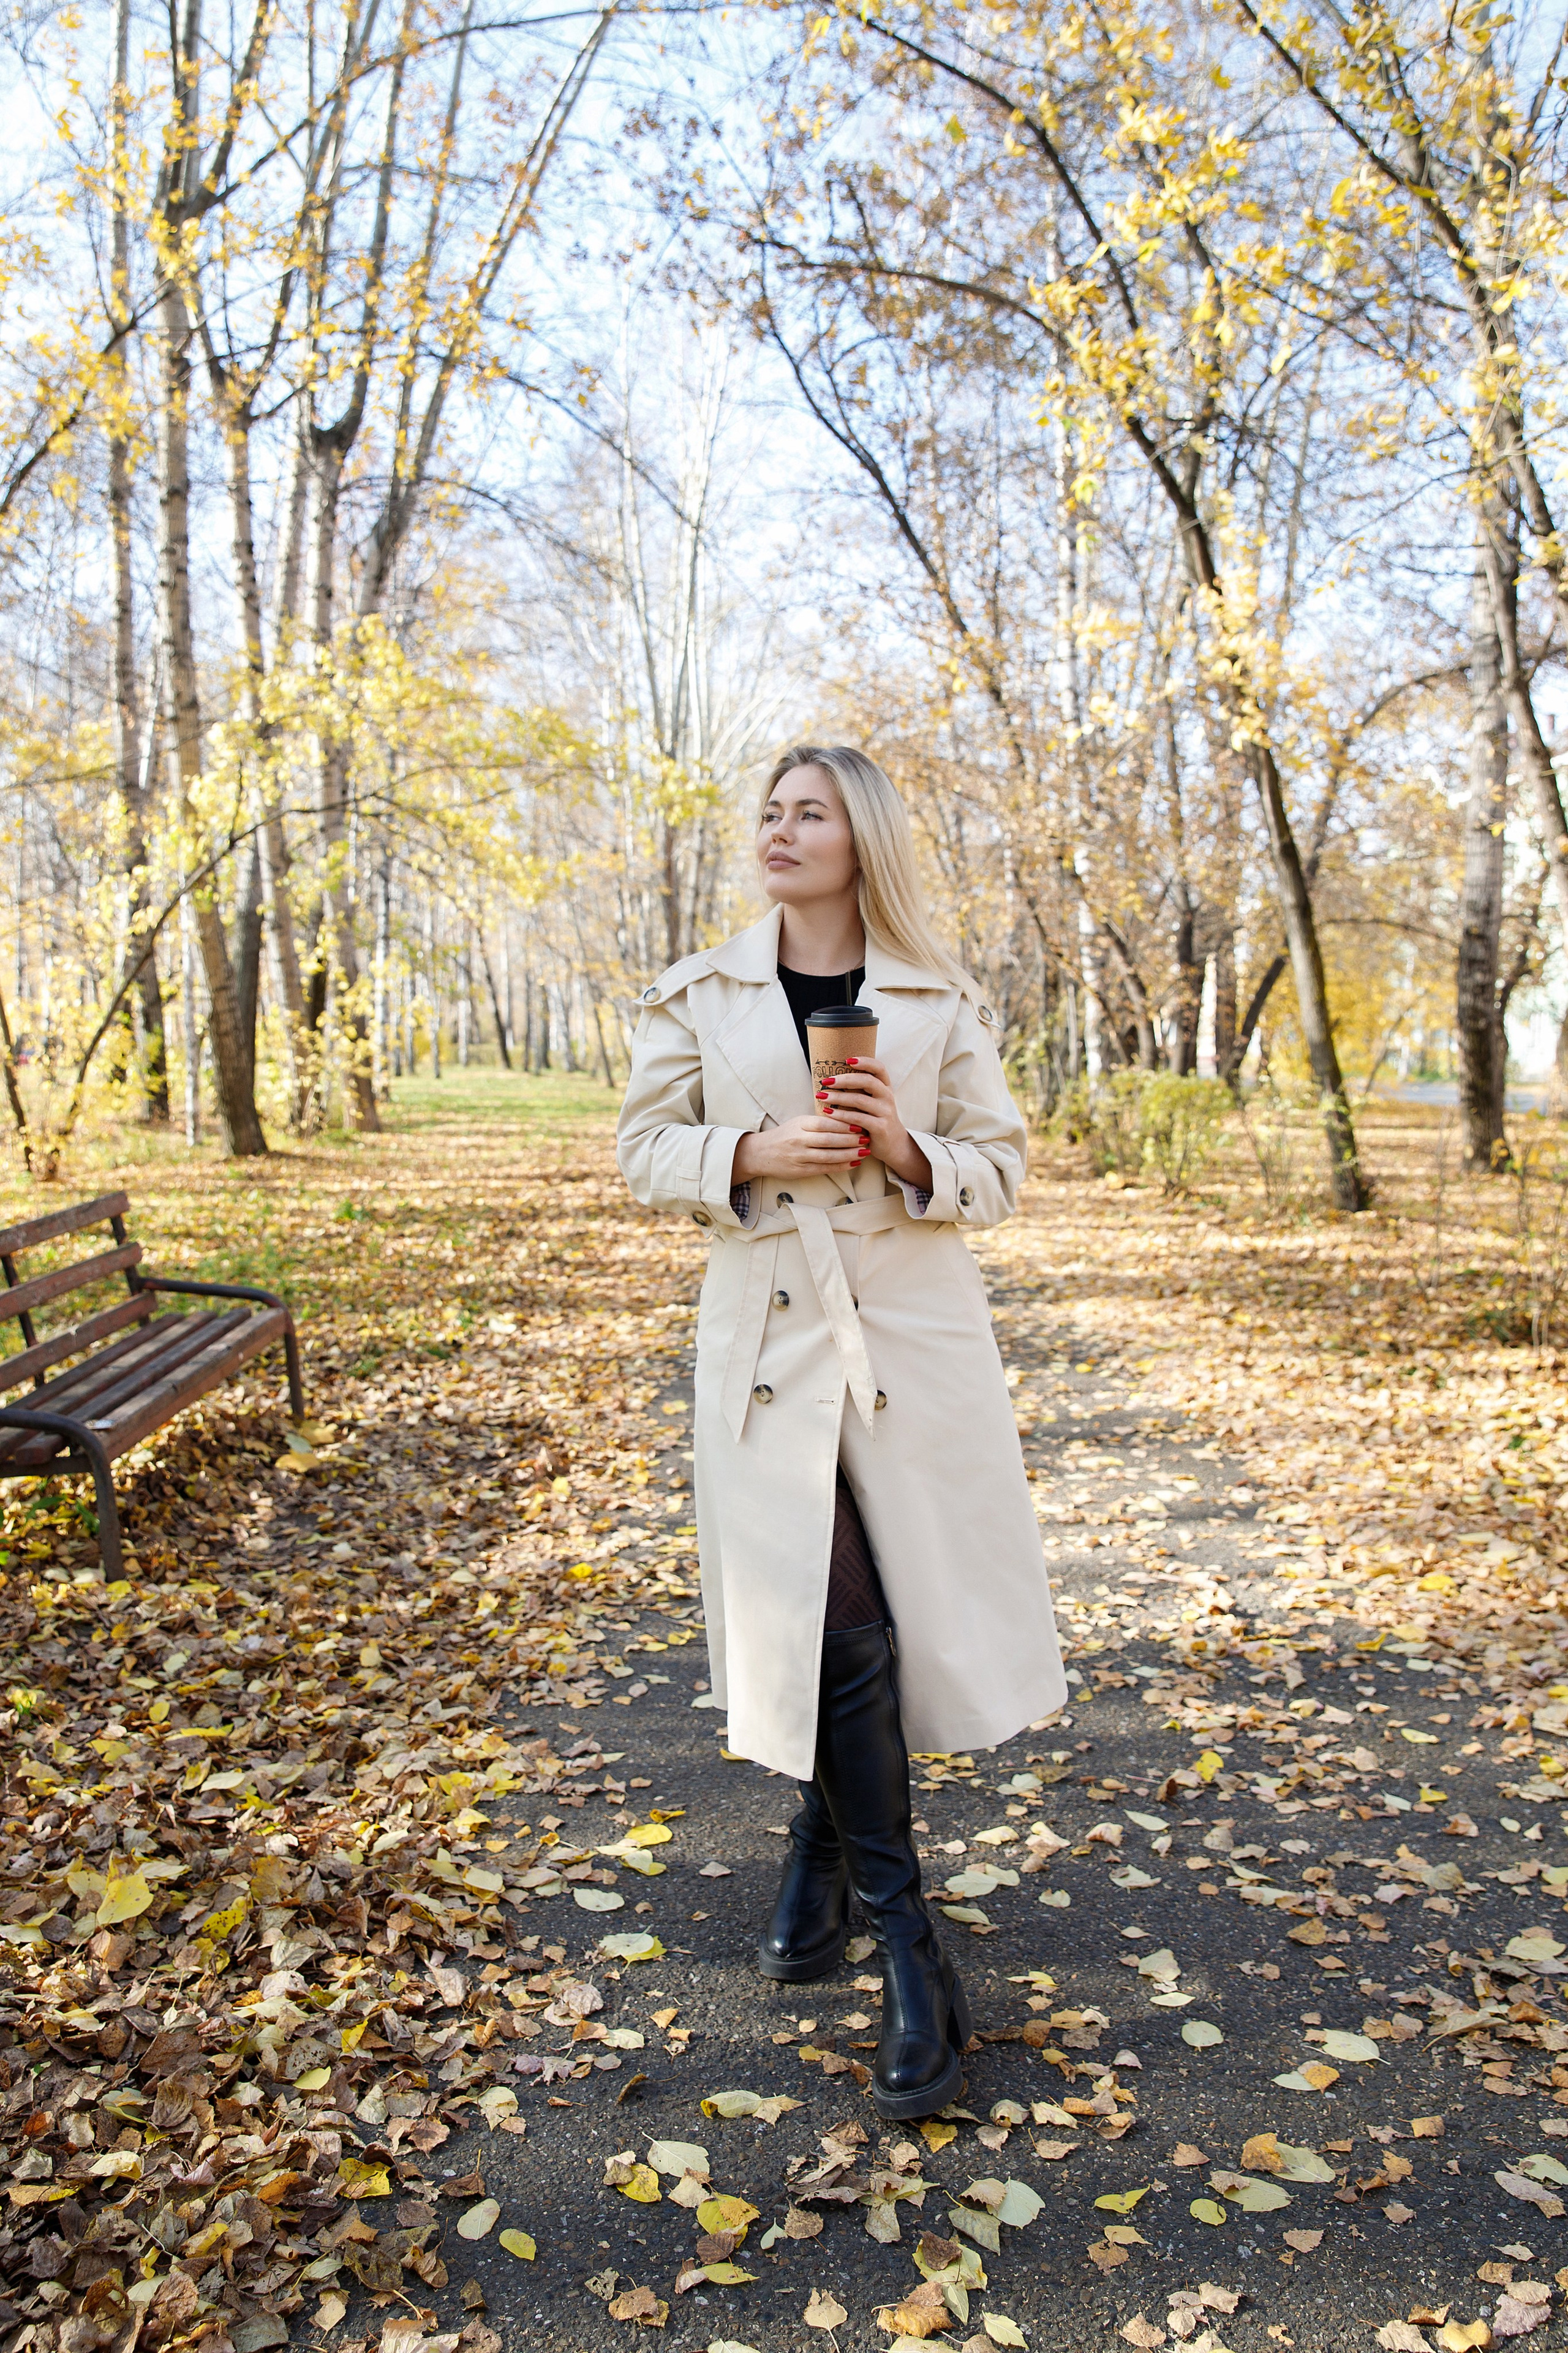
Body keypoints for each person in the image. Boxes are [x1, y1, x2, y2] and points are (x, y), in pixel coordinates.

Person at [616, 743, 1066, 2120]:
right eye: (768, 808)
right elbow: (639, 1148)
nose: (778, 827)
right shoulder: (700, 991)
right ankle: (910, 1946)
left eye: (807, 811)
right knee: (833, 1618)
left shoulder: (934, 998)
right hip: (767, 1339)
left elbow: (1000, 1166)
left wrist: (910, 1149)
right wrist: (750, 1155)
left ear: (859, 837)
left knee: (871, 1622)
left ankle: (818, 1855)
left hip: (913, 1334)